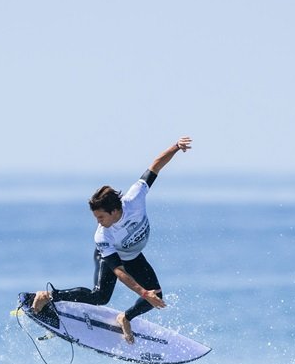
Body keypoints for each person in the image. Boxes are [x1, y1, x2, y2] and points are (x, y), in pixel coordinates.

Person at [31, 136, 192, 344]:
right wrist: (143, 292)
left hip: (133, 256)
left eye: (101, 217)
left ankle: (125, 318)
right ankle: (48, 296)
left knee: (157, 297)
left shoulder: (135, 198)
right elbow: (118, 271)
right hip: (111, 257)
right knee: (100, 296)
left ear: (115, 210)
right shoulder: (102, 235)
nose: (98, 222)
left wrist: (176, 147)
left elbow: (155, 166)